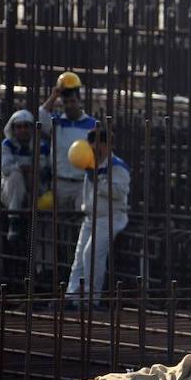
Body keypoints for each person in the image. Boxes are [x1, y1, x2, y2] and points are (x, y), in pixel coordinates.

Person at [66, 127, 129, 305]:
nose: (96, 149)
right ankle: (72, 297)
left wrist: (98, 182)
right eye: (93, 144)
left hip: (110, 216)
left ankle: (91, 298)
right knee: (79, 259)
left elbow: (119, 192)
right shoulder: (90, 164)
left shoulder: (117, 166)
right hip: (91, 217)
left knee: (91, 254)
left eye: (101, 144)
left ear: (108, 146)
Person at [38, 71, 97, 210]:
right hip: (60, 182)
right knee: (59, 225)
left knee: (80, 222)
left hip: (82, 183)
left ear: (79, 101)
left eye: (73, 101)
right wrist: (54, 95)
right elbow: (41, 117)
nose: (69, 105)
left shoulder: (92, 124)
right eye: (65, 102)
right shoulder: (56, 123)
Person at [0, 109, 50, 243]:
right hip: (12, 192)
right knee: (15, 175)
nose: (23, 130)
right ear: (13, 128)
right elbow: (6, 168)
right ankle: (14, 220)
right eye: (19, 127)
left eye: (26, 126)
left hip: (36, 190)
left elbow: (46, 170)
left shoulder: (42, 146)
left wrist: (27, 169)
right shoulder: (7, 145)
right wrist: (27, 169)